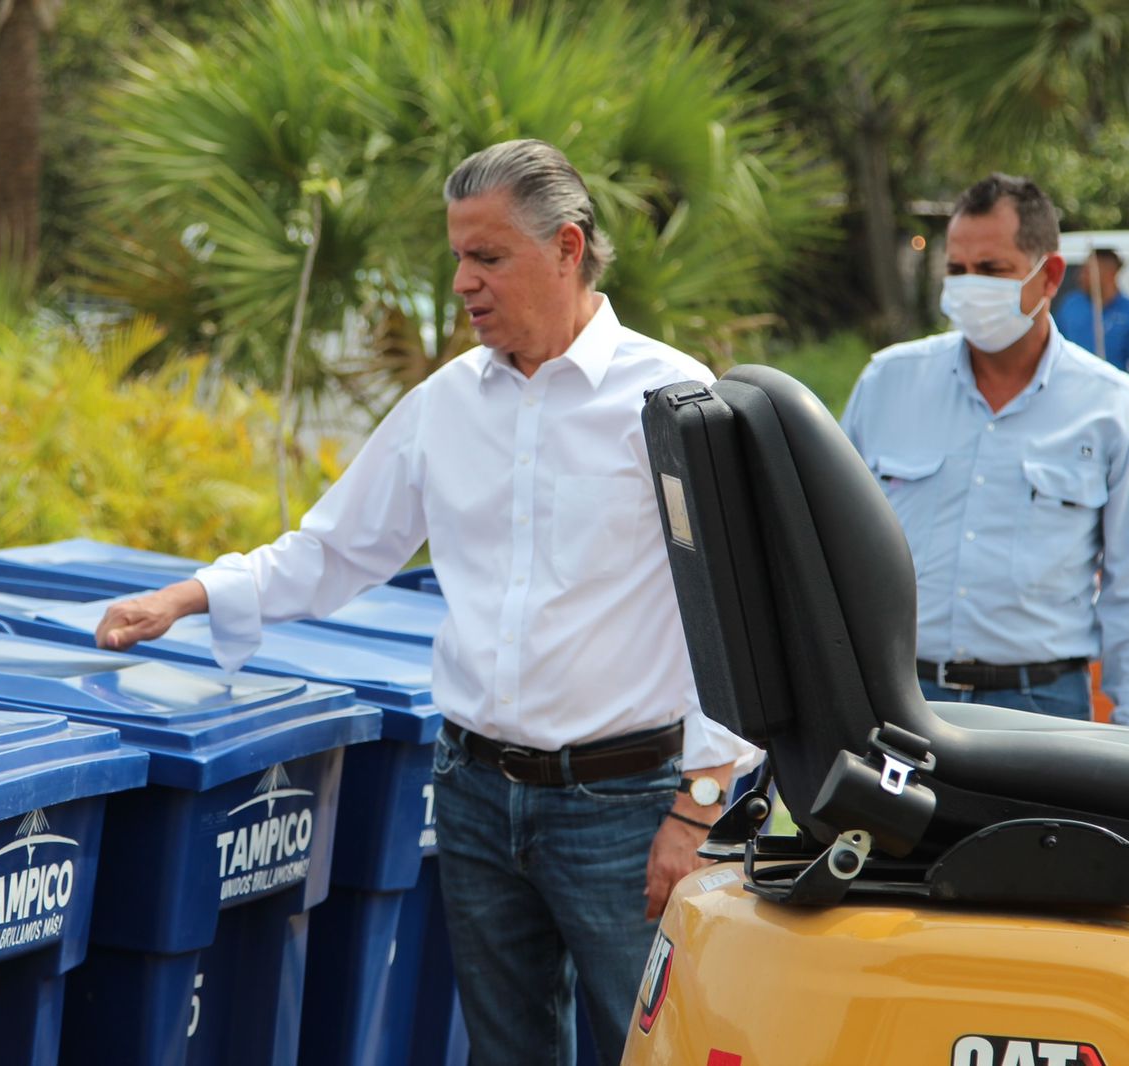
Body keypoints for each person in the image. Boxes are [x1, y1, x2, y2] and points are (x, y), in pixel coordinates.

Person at [94, 139, 757, 1064]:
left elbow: (740, 615)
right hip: (475, 796)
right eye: (456, 256)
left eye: (488, 258)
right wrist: (193, 594)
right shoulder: (447, 403)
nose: (462, 283)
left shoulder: (671, 399)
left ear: (568, 248)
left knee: (647, 1052)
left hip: (627, 809)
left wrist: (698, 809)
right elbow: (336, 548)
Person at [841, 174, 1129, 728]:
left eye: (992, 270)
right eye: (957, 270)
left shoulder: (1117, 410)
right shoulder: (887, 384)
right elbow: (832, 545)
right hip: (898, 701)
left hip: (1042, 708)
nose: (970, 288)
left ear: (1050, 277)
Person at [1053, 248, 1129, 383]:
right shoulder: (1070, 305)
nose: (1080, 276)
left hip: (1113, 391)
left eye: (1088, 271)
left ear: (1110, 275)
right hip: (1073, 387)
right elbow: (1055, 346)